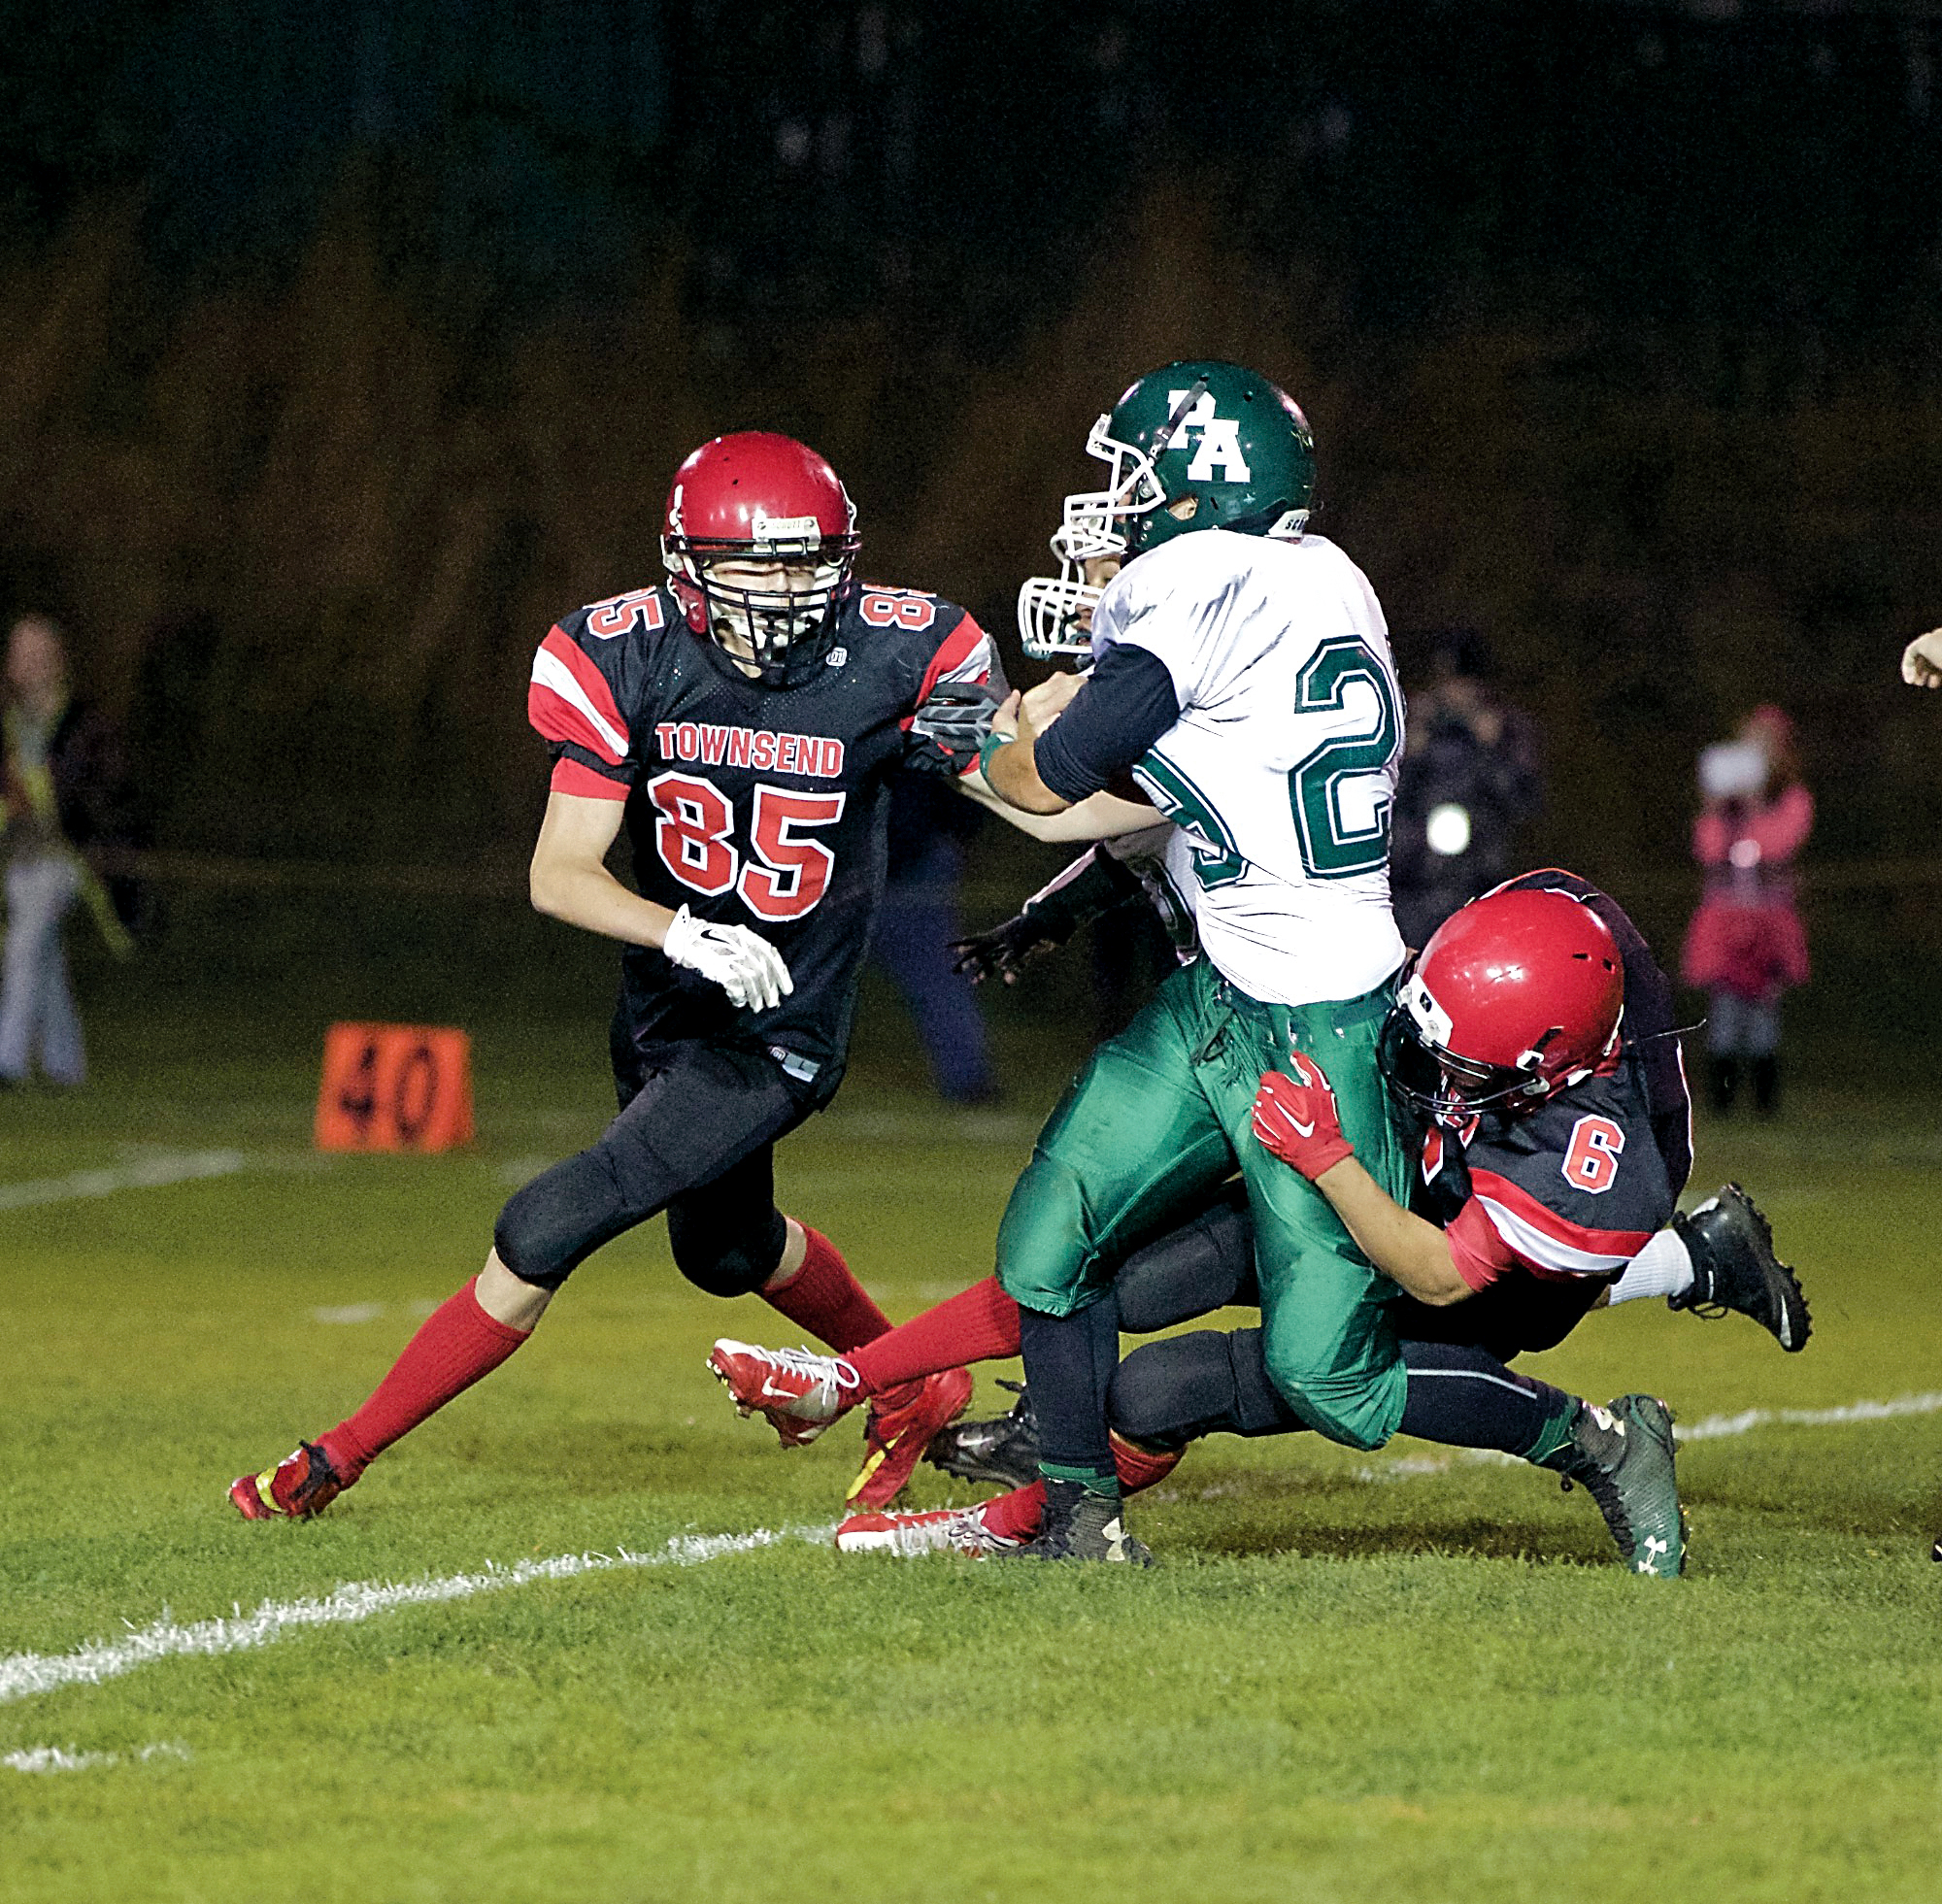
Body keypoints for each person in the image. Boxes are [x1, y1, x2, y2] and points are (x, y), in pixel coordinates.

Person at [720, 364, 1679, 1571]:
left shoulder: (1201, 581)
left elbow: (1038, 784)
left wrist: (933, 707)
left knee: (1331, 1375)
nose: (1108, 512)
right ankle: (1078, 1514)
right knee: (1049, 1233)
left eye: (1127, 477)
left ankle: (1599, 1438)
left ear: (1198, 481)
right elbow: (1150, 800)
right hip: (1225, 989)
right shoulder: (1319, 573)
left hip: (1323, 1030)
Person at [229, 430, 1132, 1522]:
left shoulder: (900, 649)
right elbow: (559, 872)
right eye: (759, 565)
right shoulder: (627, 652)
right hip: (669, 1001)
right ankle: (909, 1376)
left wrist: (1182, 798)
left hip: (783, 1021)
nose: (787, 592)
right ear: (686, 564)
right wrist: (678, 933)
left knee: (548, 1221)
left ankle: (336, 1455)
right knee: (727, 1247)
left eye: (808, 564)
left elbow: (1038, 799)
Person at [726, 876, 1805, 1577]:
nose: (1422, 1067)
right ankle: (889, 1395)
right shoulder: (1510, 956)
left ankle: (1605, 1441)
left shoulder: (1595, 1163)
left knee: (1204, 1389)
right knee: (1111, 1275)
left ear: (1547, 1069)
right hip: (1396, 1181)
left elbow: (1439, 1274)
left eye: (1461, 1065)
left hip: (1464, 1270)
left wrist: (1327, 1155)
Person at [0, 614, 144, 1088]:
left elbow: (112, 792)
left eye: (41, 653)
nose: (32, 663)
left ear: (59, 662)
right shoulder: (8, 725)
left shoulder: (83, 723)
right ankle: (65, 1065)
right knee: (43, 959)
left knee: (22, 948)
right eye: (23, 654)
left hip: (67, 859)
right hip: (16, 857)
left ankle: (9, 1057)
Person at [1679, 705, 1812, 1116]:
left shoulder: (1792, 799)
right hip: (1724, 916)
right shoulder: (1723, 809)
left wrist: (1755, 807)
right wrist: (1716, 807)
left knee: (1763, 1009)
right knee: (1725, 1008)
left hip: (1769, 918)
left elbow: (1780, 844)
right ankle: (1722, 1100)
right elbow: (1708, 848)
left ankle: (1764, 1102)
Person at [1387, 627, 1543, 951]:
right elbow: (1382, 798)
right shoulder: (1411, 720)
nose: (1455, 693)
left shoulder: (1504, 727)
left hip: (1481, 881)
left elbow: (1525, 802)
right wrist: (1409, 750)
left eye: (1464, 682)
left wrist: (1492, 746)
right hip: (1413, 880)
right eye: (1448, 682)